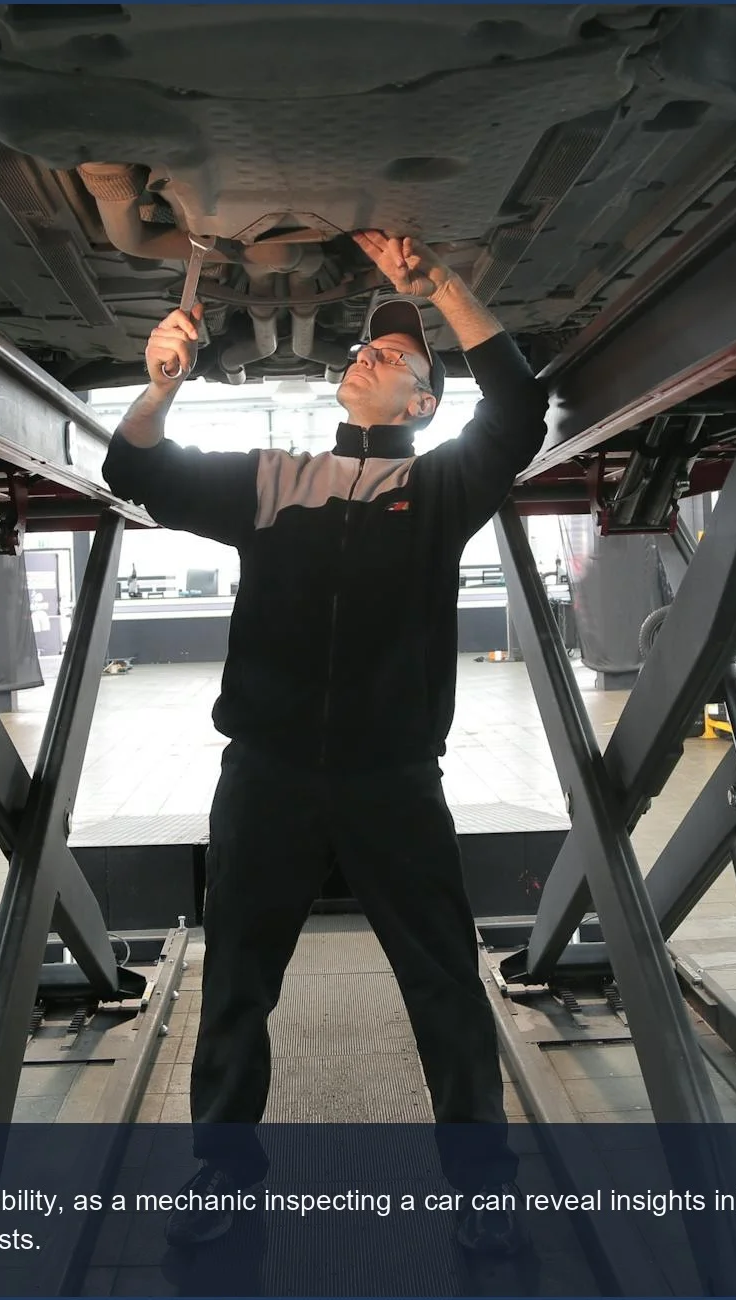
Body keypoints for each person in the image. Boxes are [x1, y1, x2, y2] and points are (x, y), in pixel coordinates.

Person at [103, 230, 548, 1256]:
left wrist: (441, 289)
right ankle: (223, 1169)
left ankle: (482, 1184)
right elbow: (139, 472)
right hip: (267, 776)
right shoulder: (275, 478)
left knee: (443, 978)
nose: (370, 355)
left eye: (396, 358)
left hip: (394, 780)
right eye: (368, 349)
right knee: (236, 984)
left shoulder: (437, 491)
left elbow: (519, 412)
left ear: (424, 405)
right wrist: (161, 384)